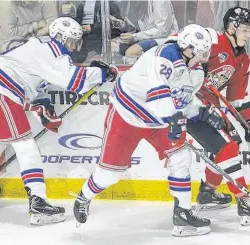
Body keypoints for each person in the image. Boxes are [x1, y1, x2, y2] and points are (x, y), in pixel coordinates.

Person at [0, 17, 117, 225]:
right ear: (60, 37)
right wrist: (102, 73)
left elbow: (34, 80)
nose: (73, 47)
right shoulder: (52, 50)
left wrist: (42, 107)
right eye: (71, 41)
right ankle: (38, 203)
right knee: (25, 144)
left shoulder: (38, 44)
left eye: (76, 42)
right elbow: (73, 80)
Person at [73, 24, 215, 237]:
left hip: (159, 120)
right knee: (110, 174)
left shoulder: (194, 70)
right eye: (201, 53)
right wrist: (175, 120)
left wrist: (200, 113)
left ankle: (183, 214)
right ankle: (84, 196)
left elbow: (180, 100)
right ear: (188, 49)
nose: (205, 58)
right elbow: (157, 98)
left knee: (181, 157)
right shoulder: (164, 57)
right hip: (128, 113)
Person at [188, 7, 250, 226]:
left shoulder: (243, 60)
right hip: (187, 105)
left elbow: (238, 98)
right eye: (244, 30)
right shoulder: (211, 40)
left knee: (229, 144)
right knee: (227, 147)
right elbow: (178, 49)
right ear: (231, 27)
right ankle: (245, 201)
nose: (248, 35)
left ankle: (208, 193)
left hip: (209, 107)